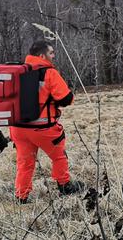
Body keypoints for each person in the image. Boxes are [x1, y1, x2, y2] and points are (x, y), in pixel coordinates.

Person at [10, 41, 84, 203]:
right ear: (42, 56)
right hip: (43, 128)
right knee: (59, 157)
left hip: (18, 129)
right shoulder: (49, 73)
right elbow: (66, 99)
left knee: (24, 163)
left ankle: (21, 196)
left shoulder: (16, 71)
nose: (53, 56)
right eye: (51, 53)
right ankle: (64, 186)